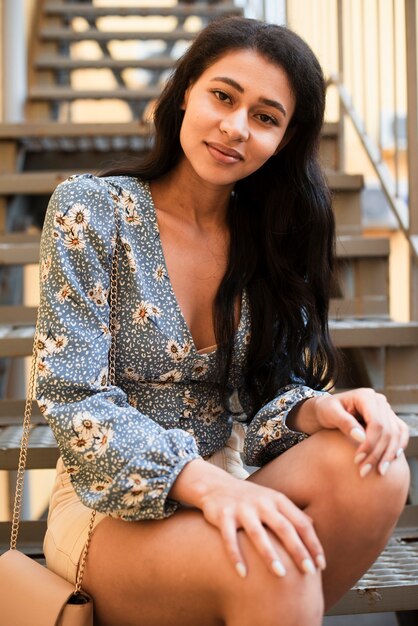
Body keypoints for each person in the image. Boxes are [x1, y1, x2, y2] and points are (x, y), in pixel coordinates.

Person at [36, 16, 410, 626]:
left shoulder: (269, 236)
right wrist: (209, 487)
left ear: (284, 139)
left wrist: (313, 410)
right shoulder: (92, 209)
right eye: (223, 96)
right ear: (186, 91)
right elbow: (76, 401)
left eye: (265, 117)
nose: (236, 128)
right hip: (110, 503)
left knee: (376, 466)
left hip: (229, 473)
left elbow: (259, 406)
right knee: (273, 563)